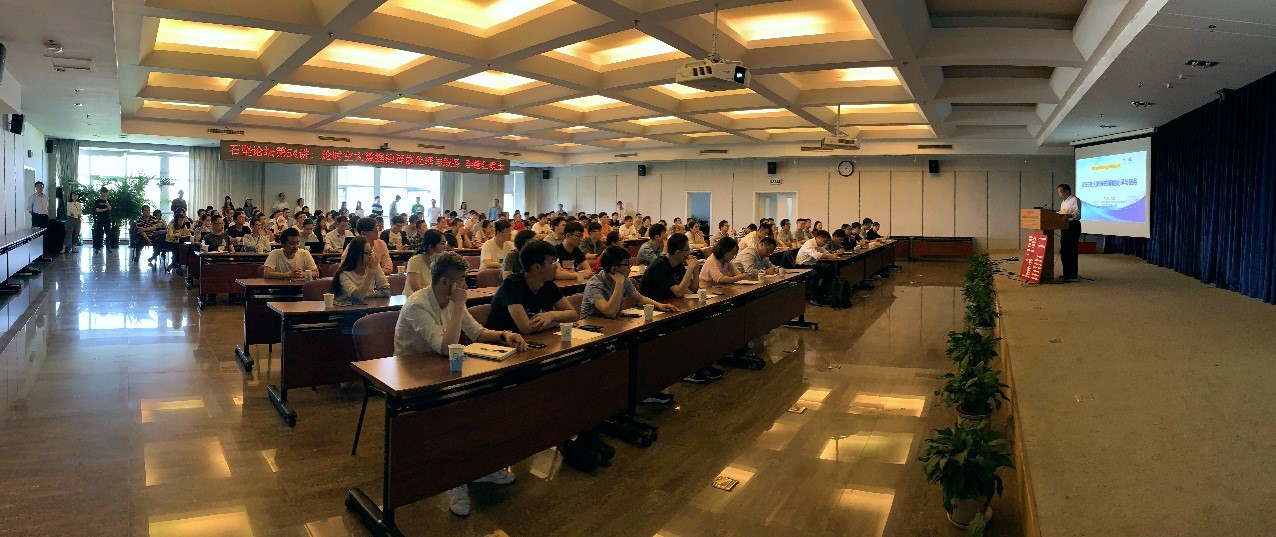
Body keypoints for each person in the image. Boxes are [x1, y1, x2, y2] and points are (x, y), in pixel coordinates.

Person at [393, 251, 524, 515]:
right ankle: (456, 479)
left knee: (487, 398)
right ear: (445, 283)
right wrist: (458, 306)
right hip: (413, 378)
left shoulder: (453, 299)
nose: (465, 285)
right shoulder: (418, 305)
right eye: (461, 281)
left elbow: (476, 332)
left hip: (444, 369)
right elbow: (445, 348)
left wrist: (504, 335)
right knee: (458, 409)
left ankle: (478, 467)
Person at [638, 233, 719, 385]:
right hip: (654, 310)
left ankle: (699, 364)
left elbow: (692, 290)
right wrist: (690, 268)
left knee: (702, 321)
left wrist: (695, 269)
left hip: (671, 306)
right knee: (688, 327)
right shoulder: (660, 265)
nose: (689, 253)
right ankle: (685, 369)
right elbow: (680, 292)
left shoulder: (678, 265)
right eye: (687, 249)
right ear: (677, 252)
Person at [484, 240, 579, 336]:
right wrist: (558, 324)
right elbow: (526, 328)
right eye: (551, 262)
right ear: (537, 267)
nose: (556, 267)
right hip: (502, 342)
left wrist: (551, 315)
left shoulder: (547, 283)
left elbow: (573, 314)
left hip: (535, 338)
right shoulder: (511, 285)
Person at [331, 237, 390, 305]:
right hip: (347, 308)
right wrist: (371, 272)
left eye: (371, 252)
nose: (370, 256)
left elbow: (386, 292)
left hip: (367, 306)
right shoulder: (343, 274)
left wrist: (370, 294)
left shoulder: (374, 266)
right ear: (356, 255)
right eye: (367, 253)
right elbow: (358, 298)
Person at [796, 230, 839, 306]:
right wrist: (830, 256)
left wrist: (833, 254)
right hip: (802, 265)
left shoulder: (819, 245)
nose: (825, 243)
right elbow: (816, 255)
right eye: (825, 241)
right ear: (819, 238)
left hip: (811, 264)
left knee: (831, 269)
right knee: (815, 273)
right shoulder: (809, 243)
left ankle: (822, 293)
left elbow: (825, 252)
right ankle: (813, 298)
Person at [404, 229, 446, 295]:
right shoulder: (414, 261)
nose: (445, 247)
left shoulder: (441, 262)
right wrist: (439, 291)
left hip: (433, 297)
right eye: (442, 244)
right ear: (431, 247)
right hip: (415, 298)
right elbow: (416, 288)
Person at [1058, 183, 1081, 281]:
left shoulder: (1075, 200)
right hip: (1064, 227)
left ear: (1067, 191)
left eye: (1060, 192)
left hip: (1073, 226)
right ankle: (1066, 273)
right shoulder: (1063, 202)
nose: (1059, 194)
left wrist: (1069, 216)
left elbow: (1077, 214)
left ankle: (1072, 275)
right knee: (1064, 251)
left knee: (1071, 250)